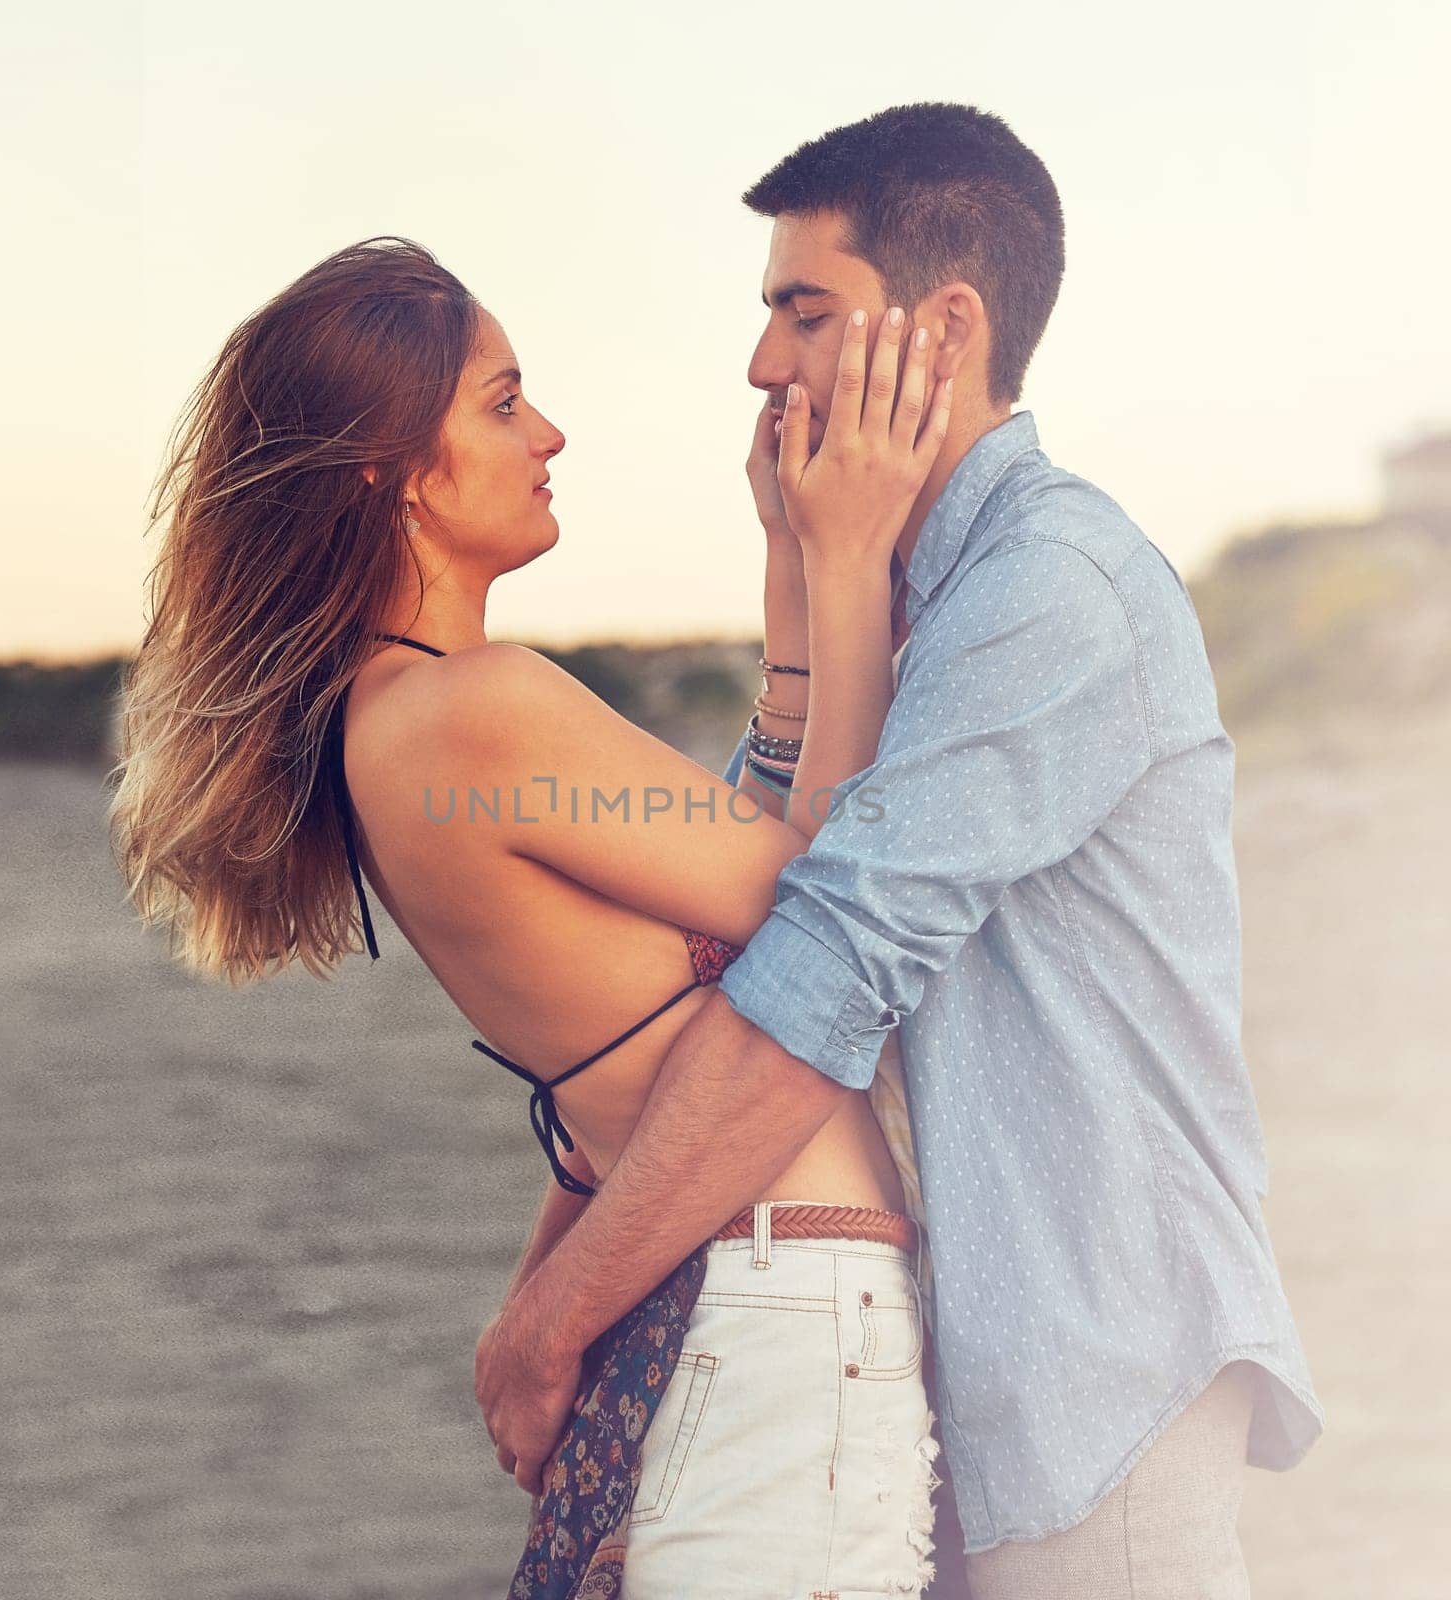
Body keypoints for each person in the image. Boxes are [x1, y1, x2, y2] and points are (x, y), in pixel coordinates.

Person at [475, 103, 1324, 1600]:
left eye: (804, 312)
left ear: (944, 328)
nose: (760, 365)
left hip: (1090, 1383)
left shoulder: (1049, 592)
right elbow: (736, 912)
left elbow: (819, 978)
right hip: (953, 1383)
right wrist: (805, 583)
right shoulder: (912, 593)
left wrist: (556, 1317)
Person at [109, 235, 955, 1596]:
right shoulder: (476, 705)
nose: (547, 432)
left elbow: (726, 899)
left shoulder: (402, 720)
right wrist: (844, 556)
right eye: (502, 404)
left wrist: (791, 577)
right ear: (391, 468)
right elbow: (828, 907)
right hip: (779, 1299)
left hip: (727, 1296)